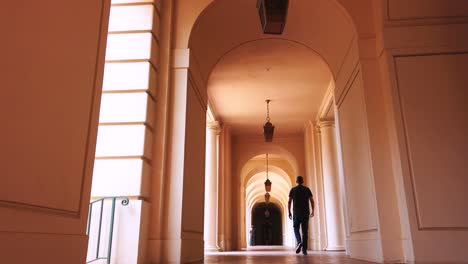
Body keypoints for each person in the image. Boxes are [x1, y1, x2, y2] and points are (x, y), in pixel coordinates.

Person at [288, 176, 315, 255]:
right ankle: (304, 250)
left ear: (296, 181)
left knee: (296, 228)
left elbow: (289, 202)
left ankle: (299, 242)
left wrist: (289, 212)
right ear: (302, 181)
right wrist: (313, 211)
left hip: (296, 213)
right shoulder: (307, 189)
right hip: (305, 212)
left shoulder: (293, 190)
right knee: (305, 231)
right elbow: (312, 200)